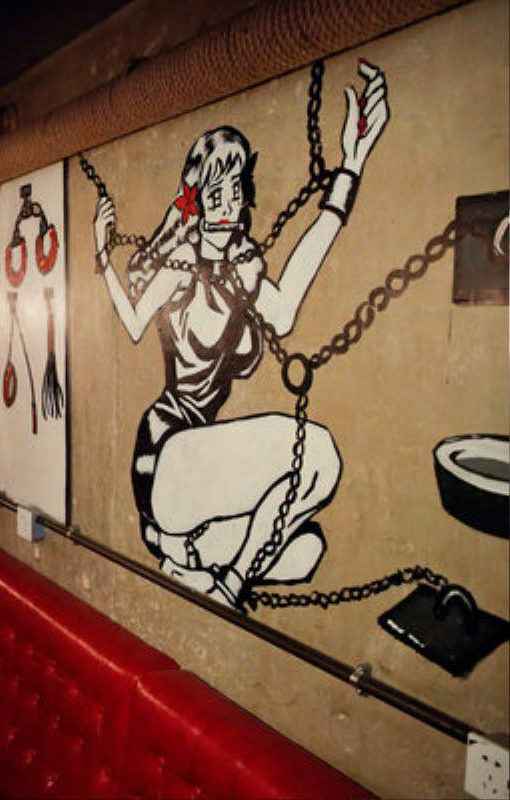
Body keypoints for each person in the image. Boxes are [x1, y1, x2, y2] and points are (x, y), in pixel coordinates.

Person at [92, 60, 388, 607]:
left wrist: (351, 166)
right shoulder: (181, 261)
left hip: (197, 488)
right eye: (216, 188)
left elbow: (286, 309)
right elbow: (135, 320)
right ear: (197, 198)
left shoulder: (245, 265)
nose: (230, 199)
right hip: (166, 457)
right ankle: (223, 581)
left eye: (237, 185)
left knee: (306, 550)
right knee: (315, 452)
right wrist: (102, 259)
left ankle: (193, 564)